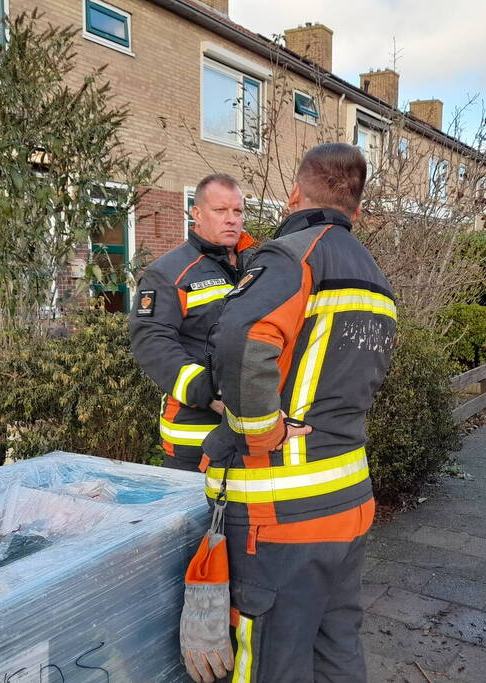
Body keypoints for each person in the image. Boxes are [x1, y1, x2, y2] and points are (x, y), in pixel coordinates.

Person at [184, 143, 396, 682]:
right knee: (336, 648)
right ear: (357, 209)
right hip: (348, 500)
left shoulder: (291, 256)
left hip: (281, 513)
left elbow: (241, 337)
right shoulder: (375, 276)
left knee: (271, 662)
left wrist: (259, 432)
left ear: (294, 194)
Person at [129, 174, 254, 471]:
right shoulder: (169, 273)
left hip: (255, 430)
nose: (231, 219)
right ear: (196, 213)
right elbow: (152, 343)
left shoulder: (256, 266)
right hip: (196, 435)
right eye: (220, 210)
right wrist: (206, 391)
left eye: (237, 211)